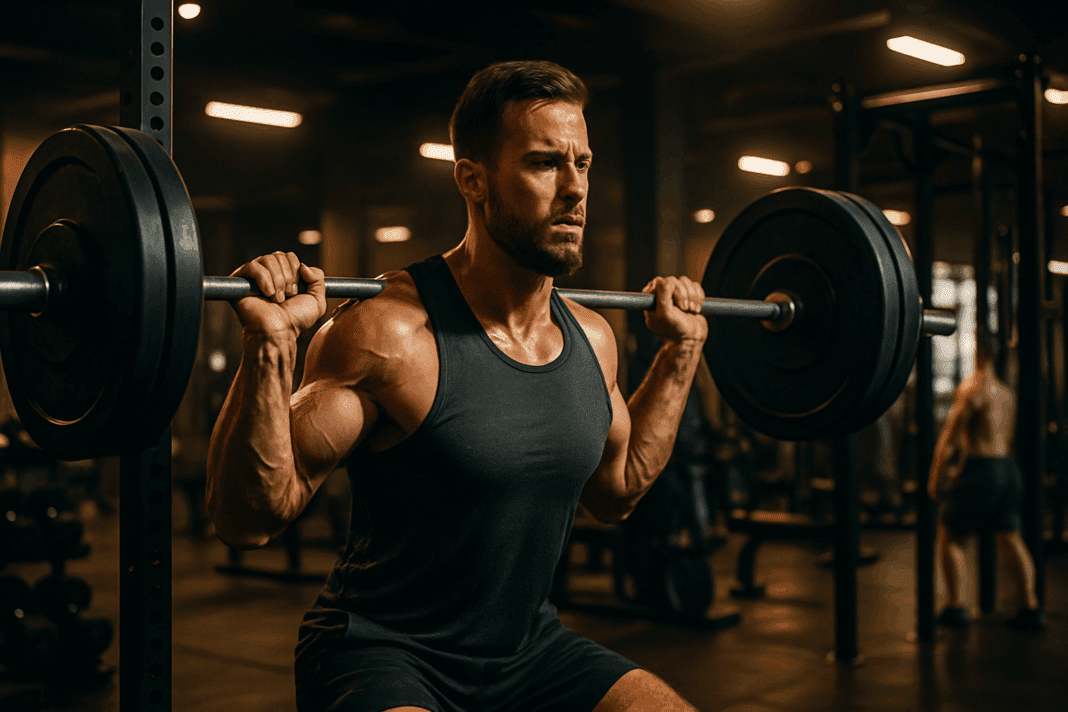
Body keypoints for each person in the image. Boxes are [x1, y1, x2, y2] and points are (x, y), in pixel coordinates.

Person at [206, 60, 706, 712]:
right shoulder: (389, 332)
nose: (576, 188)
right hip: (383, 653)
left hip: (530, 653)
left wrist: (683, 349)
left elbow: (616, 492)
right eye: (544, 164)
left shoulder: (592, 338)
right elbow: (247, 519)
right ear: (472, 179)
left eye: (582, 163)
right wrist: (270, 346)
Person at [927, 331, 1045, 631]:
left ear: (977, 351)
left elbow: (950, 438)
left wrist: (935, 475)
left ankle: (956, 607)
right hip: (1008, 469)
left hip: (981, 468)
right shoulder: (1006, 392)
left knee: (951, 535)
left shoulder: (973, 389)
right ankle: (1030, 607)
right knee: (1010, 537)